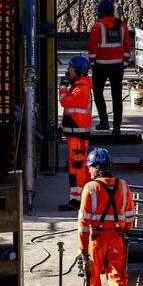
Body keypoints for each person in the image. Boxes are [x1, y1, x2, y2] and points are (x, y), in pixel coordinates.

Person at [76, 147, 135, 286]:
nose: (89, 170)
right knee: (117, 275)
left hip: (97, 239)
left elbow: (83, 223)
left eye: (90, 167)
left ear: (97, 168)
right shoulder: (123, 186)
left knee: (92, 274)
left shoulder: (90, 188)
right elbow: (130, 216)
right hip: (117, 238)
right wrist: (123, 230)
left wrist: (83, 249)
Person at [87, 0, 131, 135]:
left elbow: (92, 48)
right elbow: (127, 46)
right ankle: (117, 126)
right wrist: (124, 62)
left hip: (100, 66)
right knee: (117, 95)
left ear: (100, 12)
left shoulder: (97, 27)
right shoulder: (122, 26)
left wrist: (92, 63)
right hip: (117, 66)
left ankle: (104, 121)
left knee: (98, 93)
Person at [58, 56, 94, 211]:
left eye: (70, 69)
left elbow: (64, 101)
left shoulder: (81, 89)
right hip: (75, 136)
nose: (68, 71)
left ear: (78, 71)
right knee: (79, 168)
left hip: (78, 138)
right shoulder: (78, 87)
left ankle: (76, 200)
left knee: (77, 170)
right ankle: (85, 198)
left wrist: (63, 86)